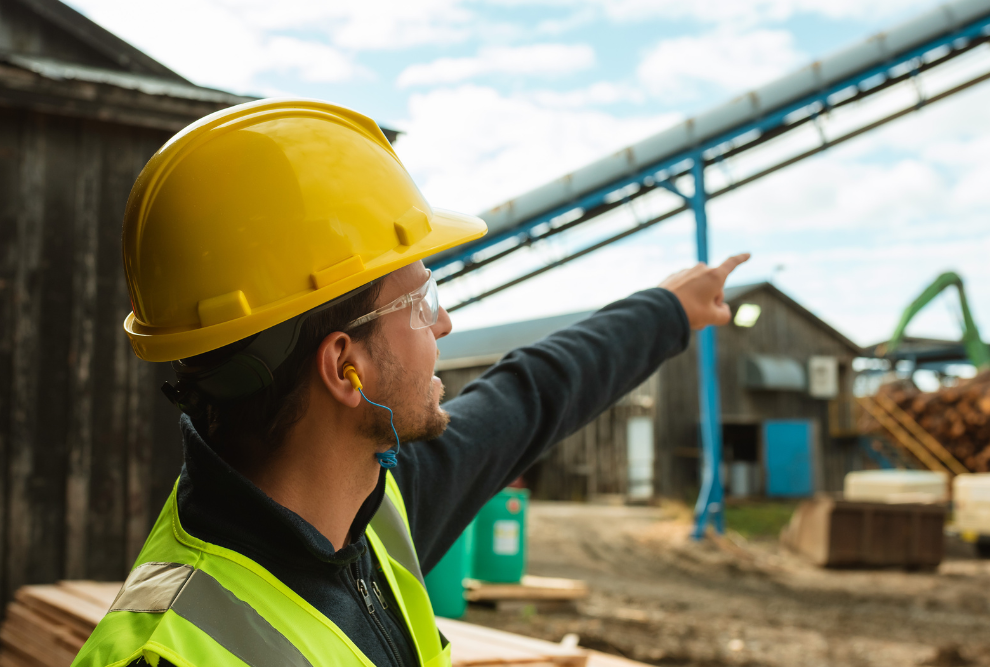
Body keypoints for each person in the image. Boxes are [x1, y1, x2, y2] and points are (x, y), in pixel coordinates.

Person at [73, 98, 748, 667]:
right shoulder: (167, 653)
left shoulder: (375, 509)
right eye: (423, 302)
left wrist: (668, 309)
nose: (445, 324)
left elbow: (531, 392)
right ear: (345, 366)